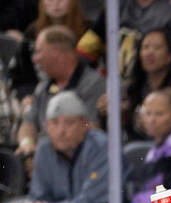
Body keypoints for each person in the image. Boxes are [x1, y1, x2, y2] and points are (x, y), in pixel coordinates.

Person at [5, 91, 109, 203]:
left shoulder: (102, 147)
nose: (61, 131)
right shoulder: (44, 149)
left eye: (69, 122)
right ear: (46, 126)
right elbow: (38, 198)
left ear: (85, 124)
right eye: (54, 123)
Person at [14, 26, 104, 164]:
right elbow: (29, 123)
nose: (35, 59)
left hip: (80, 161)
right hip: (41, 158)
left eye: (38, 52)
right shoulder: (43, 87)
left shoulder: (93, 83)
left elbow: (90, 127)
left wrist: (44, 153)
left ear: (56, 53)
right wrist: (27, 144)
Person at [102, 28, 171, 141]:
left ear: (170, 56)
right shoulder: (132, 87)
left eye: (157, 47)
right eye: (145, 47)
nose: (149, 53)